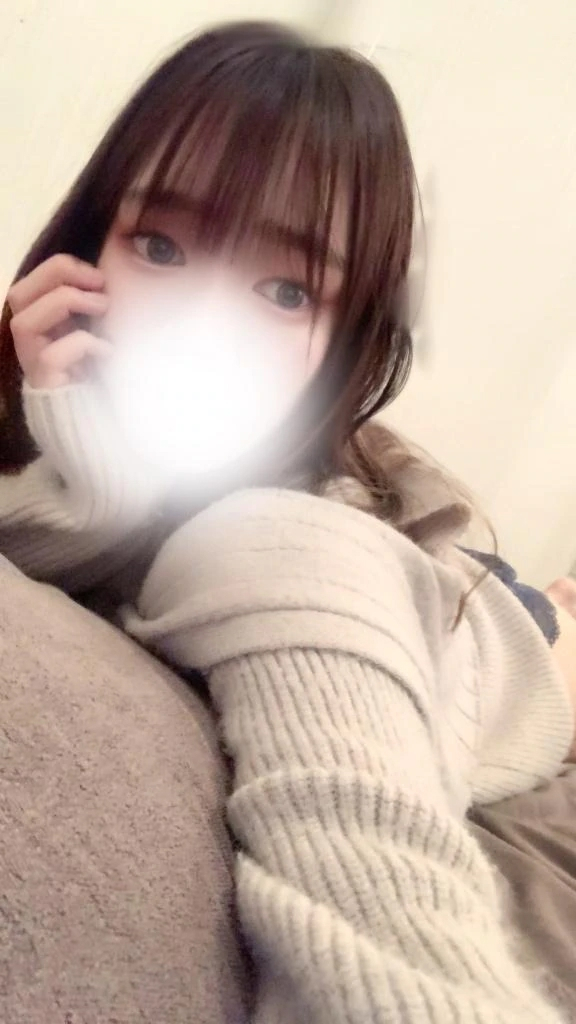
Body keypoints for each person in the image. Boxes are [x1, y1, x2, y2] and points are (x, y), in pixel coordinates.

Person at [0, 20, 574, 1023]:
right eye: (160, 245)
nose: (197, 317)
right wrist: (80, 447)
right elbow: (68, 546)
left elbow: (382, 895)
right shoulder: (61, 423)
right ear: (89, 249)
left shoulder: (284, 545)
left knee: (553, 620)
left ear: (347, 341)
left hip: (491, 636)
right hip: (422, 572)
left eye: (285, 288)